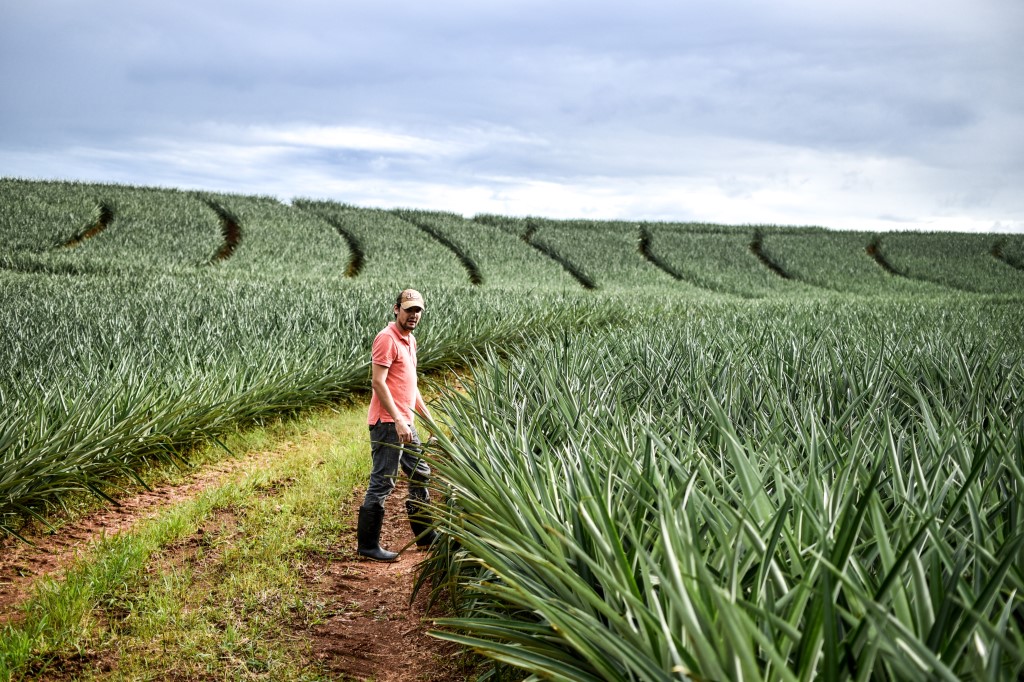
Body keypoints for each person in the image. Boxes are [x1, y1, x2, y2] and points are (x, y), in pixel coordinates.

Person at [357, 289, 438, 561]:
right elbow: (378, 383)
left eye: (418, 311)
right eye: (409, 309)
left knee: (420, 472)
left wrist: (429, 422)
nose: (414, 315)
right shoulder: (386, 339)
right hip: (388, 423)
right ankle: (368, 546)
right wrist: (399, 421)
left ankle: (426, 536)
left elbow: (411, 387)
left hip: (405, 421)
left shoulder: (410, 341)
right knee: (383, 481)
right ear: (396, 309)